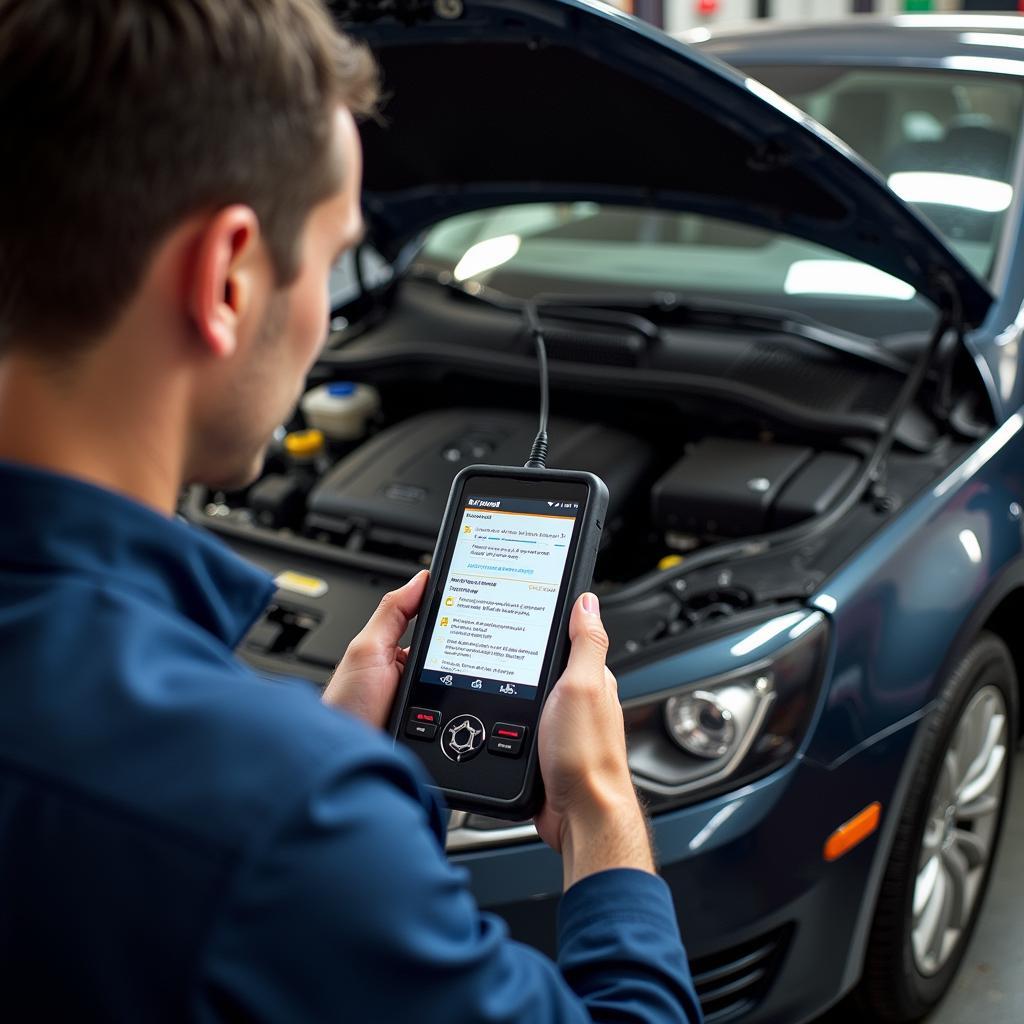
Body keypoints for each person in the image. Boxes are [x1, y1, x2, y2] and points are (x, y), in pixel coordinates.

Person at [0, 2, 701, 1021]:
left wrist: (347, 768)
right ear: (229, 277)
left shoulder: (269, 801)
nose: (329, 315)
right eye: (335, 259)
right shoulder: (278, 816)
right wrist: (598, 807)